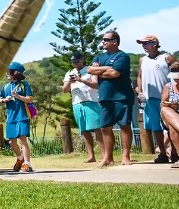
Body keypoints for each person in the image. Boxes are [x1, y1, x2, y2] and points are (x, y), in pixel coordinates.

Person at [88, 30, 134, 166]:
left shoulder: (123, 56)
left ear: (114, 41)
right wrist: (106, 69)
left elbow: (114, 73)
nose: (103, 42)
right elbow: (90, 70)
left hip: (122, 96)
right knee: (105, 128)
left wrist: (101, 70)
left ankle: (126, 156)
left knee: (124, 126)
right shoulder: (99, 57)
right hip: (105, 97)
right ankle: (108, 158)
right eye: (103, 39)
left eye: (106, 39)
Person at [135, 35, 175, 163]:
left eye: (146, 43)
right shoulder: (142, 60)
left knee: (170, 126)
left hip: (166, 98)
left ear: (154, 43)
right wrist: (139, 91)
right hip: (149, 98)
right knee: (156, 127)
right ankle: (163, 153)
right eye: (142, 43)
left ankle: (174, 152)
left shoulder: (166, 57)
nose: (143, 46)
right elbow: (140, 76)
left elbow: (176, 71)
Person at [62, 52, 104, 163]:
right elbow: (65, 90)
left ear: (82, 59)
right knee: (84, 130)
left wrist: (81, 80)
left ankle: (104, 155)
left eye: (77, 61)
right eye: (73, 62)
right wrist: (70, 82)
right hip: (77, 103)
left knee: (97, 128)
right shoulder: (70, 73)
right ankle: (91, 156)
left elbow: (95, 85)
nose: (75, 64)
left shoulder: (90, 70)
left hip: (91, 102)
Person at [0, 62, 35, 173]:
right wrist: (4, 100)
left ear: (15, 72)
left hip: (22, 116)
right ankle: (20, 158)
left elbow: (30, 99)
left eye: (9, 71)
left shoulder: (24, 85)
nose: (7, 74)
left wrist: (17, 96)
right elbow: (0, 99)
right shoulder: (5, 86)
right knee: (11, 142)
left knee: (23, 140)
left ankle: (27, 164)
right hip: (10, 118)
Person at [159, 63, 179, 168]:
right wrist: (171, 104)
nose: (176, 80)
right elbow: (163, 103)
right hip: (170, 113)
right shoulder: (168, 86)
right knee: (165, 109)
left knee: (173, 127)